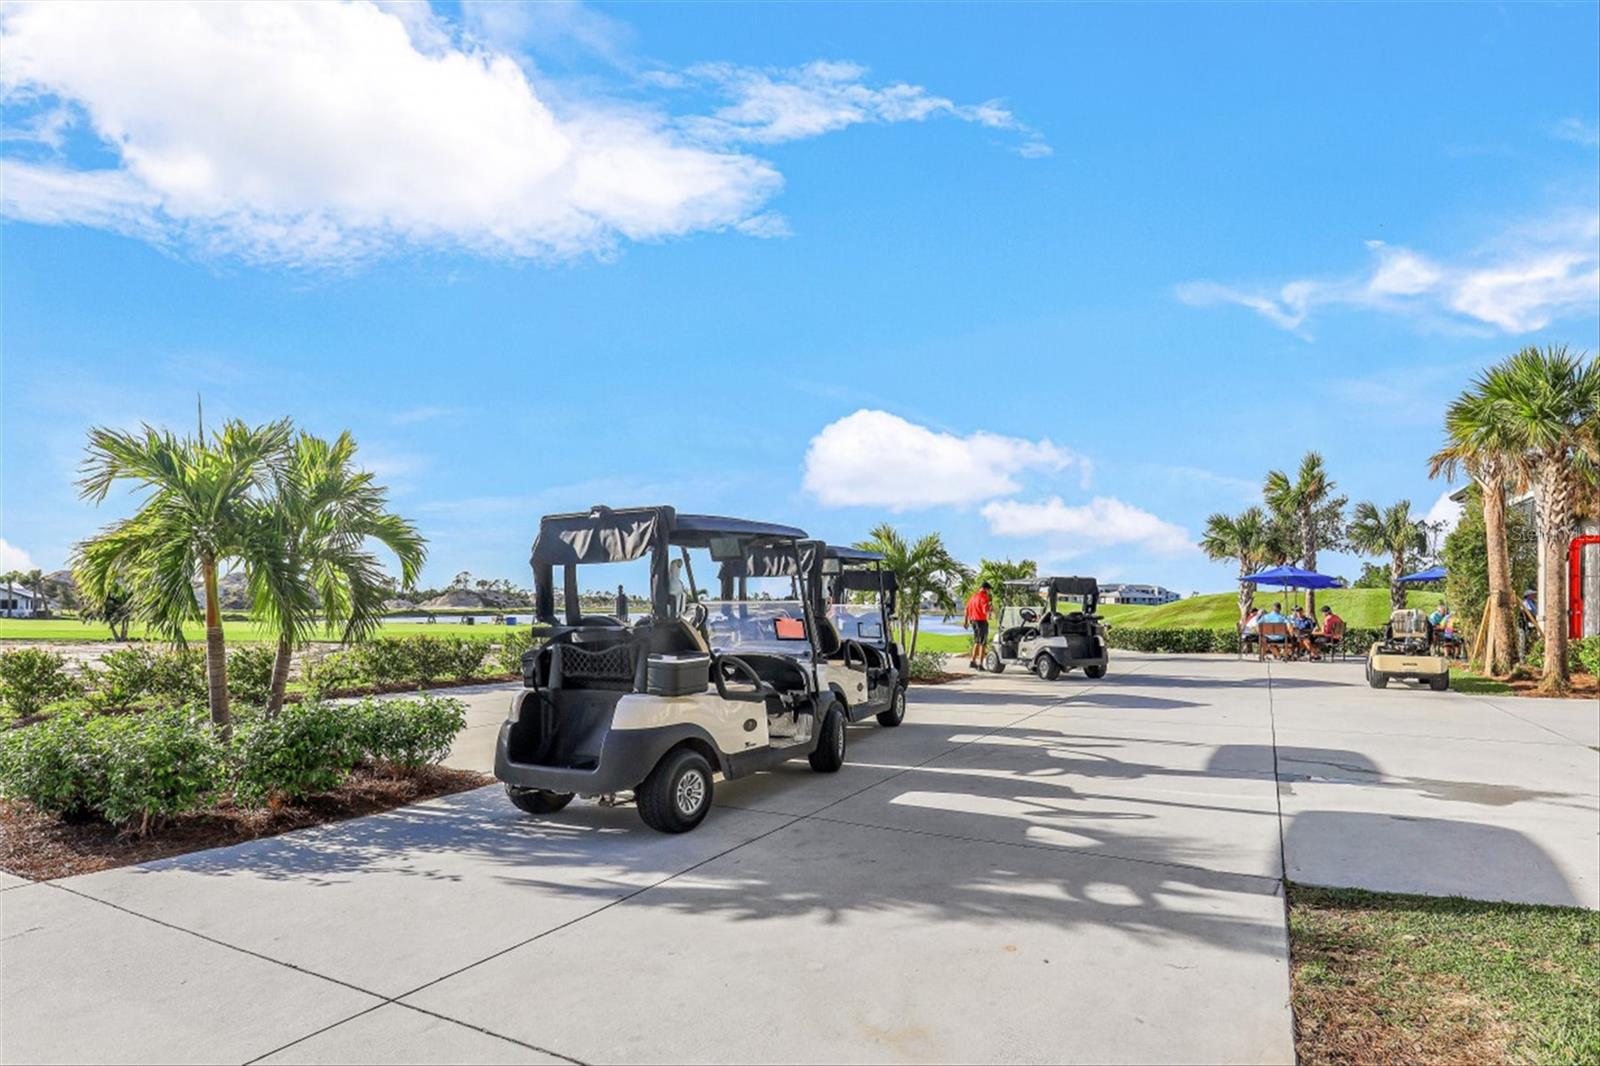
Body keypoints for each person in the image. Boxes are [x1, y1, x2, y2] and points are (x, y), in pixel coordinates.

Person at [964, 581, 993, 670]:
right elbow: (985, 610)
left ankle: (973, 661)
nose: (989, 591)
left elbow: (966, 610)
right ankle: (980, 664)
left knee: (977, 641)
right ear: (985, 589)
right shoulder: (984, 597)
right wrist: (990, 610)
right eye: (988, 590)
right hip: (981, 621)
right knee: (982, 643)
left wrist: (965, 622)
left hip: (973, 621)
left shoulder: (973, 597)